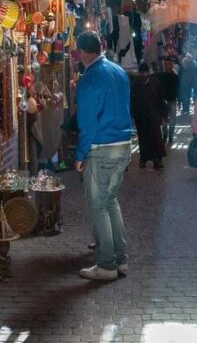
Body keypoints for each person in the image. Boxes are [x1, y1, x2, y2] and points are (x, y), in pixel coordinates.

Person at [74, 31, 135, 281]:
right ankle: (120, 260)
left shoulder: (90, 78)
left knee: (99, 205)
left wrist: (80, 153)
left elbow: (87, 121)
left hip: (102, 147)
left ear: (81, 52)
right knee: (110, 201)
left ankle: (107, 264)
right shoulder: (119, 71)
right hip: (123, 144)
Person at [130, 63, 166, 169]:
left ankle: (157, 160)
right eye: (142, 72)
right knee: (143, 139)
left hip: (154, 116)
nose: (144, 74)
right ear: (139, 73)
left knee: (157, 139)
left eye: (146, 72)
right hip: (141, 117)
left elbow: (161, 99)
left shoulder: (156, 83)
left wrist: (164, 115)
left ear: (148, 72)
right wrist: (132, 115)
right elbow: (132, 101)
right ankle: (143, 159)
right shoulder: (135, 84)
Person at [158, 59, 180, 146]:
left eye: (169, 64)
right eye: (166, 64)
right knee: (164, 120)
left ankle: (170, 135)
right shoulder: (161, 76)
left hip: (172, 100)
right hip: (163, 102)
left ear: (172, 65)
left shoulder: (175, 77)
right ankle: (165, 135)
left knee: (173, 120)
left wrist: (179, 100)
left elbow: (178, 89)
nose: (167, 66)